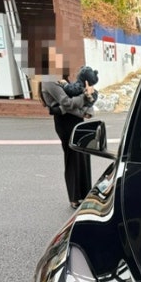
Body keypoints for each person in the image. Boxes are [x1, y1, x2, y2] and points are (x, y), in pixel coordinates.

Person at [40, 68, 98, 209]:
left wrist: (85, 104)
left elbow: (69, 104)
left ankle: (85, 194)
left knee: (83, 157)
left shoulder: (63, 79)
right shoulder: (49, 80)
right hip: (66, 123)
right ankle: (74, 197)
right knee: (72, 159)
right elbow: (67, 103)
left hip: (76, 121)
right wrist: (85, 99)